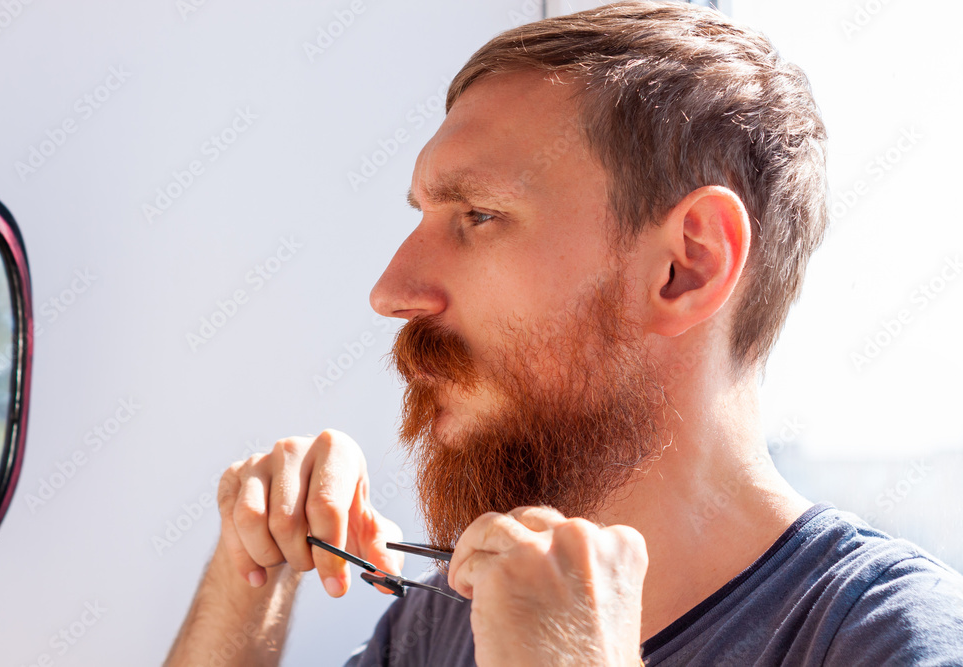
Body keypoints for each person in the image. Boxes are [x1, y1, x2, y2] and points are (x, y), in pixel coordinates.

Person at [164, 2, 963, 665]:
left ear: (687, 264)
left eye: (478, 215)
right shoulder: (454, 614)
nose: (390, 291)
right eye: (425, 217)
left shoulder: (892, 641)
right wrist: (250, 580)